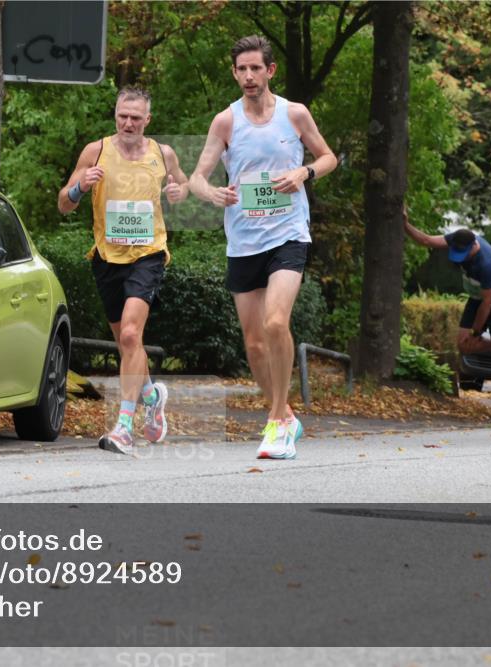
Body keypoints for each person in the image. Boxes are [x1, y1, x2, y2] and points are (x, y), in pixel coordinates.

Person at [188, 35, 337, 460]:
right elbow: (199, 176)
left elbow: (328, 157)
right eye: (242, 70)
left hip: (288, 233)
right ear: (234, 73)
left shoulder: (294, 114)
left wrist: (303, 173)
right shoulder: (226, 122)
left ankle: (274, 422)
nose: (249, 76)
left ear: (270, 71)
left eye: (256, 68)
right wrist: (211, 194)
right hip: (244, 239)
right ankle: (286, 414)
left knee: (275, 323)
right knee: (254, 343)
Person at [58, 86, 189, 455]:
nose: (128, 123)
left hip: (148, 254)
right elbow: (63, 204)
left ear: (148, 119)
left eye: (135, 117)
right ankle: (151, 395)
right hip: (106, 257)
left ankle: (124, 426)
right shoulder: (95, 151)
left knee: (132, 334)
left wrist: (180, 192)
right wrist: (80, 188)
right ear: (115, 115)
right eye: (122, 116)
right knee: (125, 342)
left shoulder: (163, 154)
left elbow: (182, 185)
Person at [403, 208, 491, 423]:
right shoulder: (458, 238)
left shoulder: (486, 263)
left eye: (463, 254)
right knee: (464, 345)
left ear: (474, 246)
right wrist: (405, 224)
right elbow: (427, 241)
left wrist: (477, 332)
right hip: (476, 297)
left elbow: (488, 304)